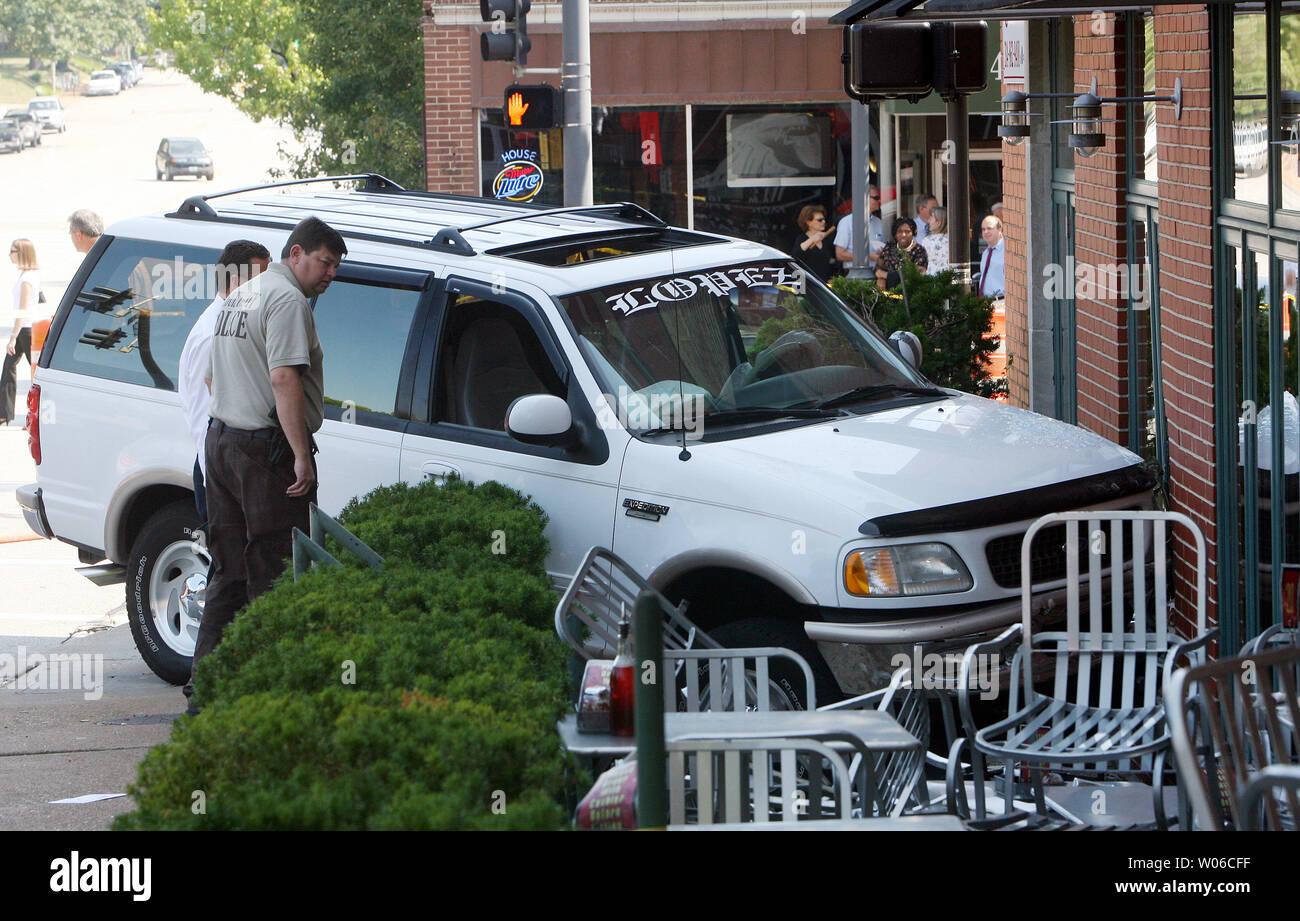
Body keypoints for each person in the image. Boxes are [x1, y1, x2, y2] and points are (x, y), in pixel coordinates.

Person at [186, 217, 346, 712]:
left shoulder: (240, 296)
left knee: (230, 571)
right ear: (296, 253)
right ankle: (272, 701)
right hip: (263, 450)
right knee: (276, 570)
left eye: (337, 267)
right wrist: (300, 454)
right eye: (324, 262)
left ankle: (206, 691)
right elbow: (283, 379)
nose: (330, 275)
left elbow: (213, 378)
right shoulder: (286, 300)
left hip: (222, 444)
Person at [177, 240, 272, 523]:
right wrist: (221, 487)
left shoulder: (233, 324)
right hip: (220, 475)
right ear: (234, 281)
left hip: (229, 468)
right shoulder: (212, 335)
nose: (266, 290)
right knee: (228, 564)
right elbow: (204, 420)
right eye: (259, 281)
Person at [2, 240, 39, 426]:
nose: (10, 254)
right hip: (25, 328)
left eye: (13, 251)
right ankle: (4, 414)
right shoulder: (26, 276)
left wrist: (12, 338)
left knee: (35, 376)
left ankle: (33, 418)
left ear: (22, 253)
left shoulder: (27, 279)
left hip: (26, 330)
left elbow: (22, 311)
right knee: (9, 369)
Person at [835, 186, 886, 271]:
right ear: (864, 198)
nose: (879, 201)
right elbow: (840, 254)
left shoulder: (878, 222)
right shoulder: (846, 222)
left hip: (876, 272)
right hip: (853, 274)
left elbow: (882, 250)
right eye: (876, 198)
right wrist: (868, 256)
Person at [875, 217, 929, 289]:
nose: (903, 235)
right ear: (895, 234)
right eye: (899, 231)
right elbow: (878, 268)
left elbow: (918, 274)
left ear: (913, 233)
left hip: (910, 292)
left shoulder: (919, 250)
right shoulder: (889, 248)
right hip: (888, 292)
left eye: (907, 231)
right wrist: (881, 279)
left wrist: (887, 275)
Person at [791, 204, 839, 283]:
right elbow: (796, 255)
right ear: (808, 222)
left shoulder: (827, 240)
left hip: (824, 285)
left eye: (824, 219)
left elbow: (834, 262)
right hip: (806, 284)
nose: (823, 222)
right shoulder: (801, 239)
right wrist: (812, 239)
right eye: (819, 220)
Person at [978, 215, 1006, 297]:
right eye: (983, 229)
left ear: (1000, 229)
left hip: (1001, 301)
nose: (986, 232)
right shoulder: (986, 253)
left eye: (989, 228)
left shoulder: (1007, 251)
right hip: (986, 302)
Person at [921, 206, 950, 276]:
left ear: (939, 222)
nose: (929, 221)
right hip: (948, 278)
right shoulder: (952, 240)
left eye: (931, 217)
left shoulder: (927, 241)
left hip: (931, 280)